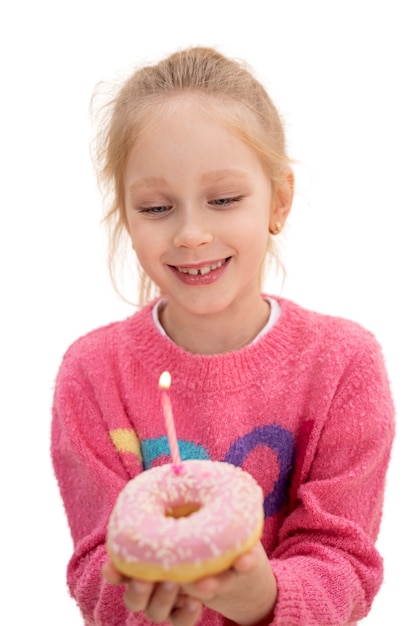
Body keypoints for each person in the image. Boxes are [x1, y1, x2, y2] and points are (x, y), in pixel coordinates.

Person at [51, 47, 395, 626]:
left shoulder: (343, 367)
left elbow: (347, 562)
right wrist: (153, 602)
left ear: (278, 200)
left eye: (225, 199)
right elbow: (93, 565)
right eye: (157, 207)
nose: (191, 233)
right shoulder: (93, 374)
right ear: (128, 218)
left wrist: (261, 597)